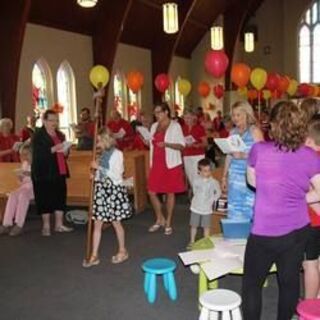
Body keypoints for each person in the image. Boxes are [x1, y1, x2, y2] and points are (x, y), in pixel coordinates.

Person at [242, 101, 320, 320]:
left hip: (264, 231)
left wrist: (275, 189)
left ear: (273, 125)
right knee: (289, 284)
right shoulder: (310, 156)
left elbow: (253, 182)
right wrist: (299, 197)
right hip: (296, 231)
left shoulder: (259, 150)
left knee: (252, 285)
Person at [83, 130, 132, 267]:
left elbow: (117, 175)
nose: (97, 144)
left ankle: (123, 250)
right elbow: (101, 174)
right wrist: (95, 176)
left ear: (106, 140)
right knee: (97, 224)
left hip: (114, 192)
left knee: (116, 223)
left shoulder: (118, 154)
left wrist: (99, 168)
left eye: (99, 141)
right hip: (102, 192)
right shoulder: (102, 154)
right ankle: (94, 254)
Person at [31, 110, 73, 236]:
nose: (54, 123)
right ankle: (46, 226)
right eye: (51, 120)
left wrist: (65, 151)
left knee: (60, 196)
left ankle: (59, 224)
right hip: (43, 171)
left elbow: (64, 153)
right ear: (44, 121)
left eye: (56, 120)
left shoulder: (60, 134)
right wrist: (54, 149)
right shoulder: (38, 135)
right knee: (45, 197)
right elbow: (38, 155)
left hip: (59, 169)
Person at [147, 102, 186, 235]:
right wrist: (147, 141)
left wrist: (167, 144)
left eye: (159, 112)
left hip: (171, 163)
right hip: (157, 162)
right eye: (155, 113)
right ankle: (160, 218)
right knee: (151, 192)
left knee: (170, 192)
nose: (156, 115)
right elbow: (152, 143)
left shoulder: (175, 126)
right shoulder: (153, 126)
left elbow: (182, 145)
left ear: (166, 112)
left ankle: (168, 221)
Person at [222, 101, 263, 221]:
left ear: (246, 114)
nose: (235, 118)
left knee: (251, 210)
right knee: (234, 210)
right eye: (233, 115)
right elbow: (229, 156)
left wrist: (244, 155)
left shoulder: (255, 131)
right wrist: (224, 177)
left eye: (238, 115)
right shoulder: (232, 132)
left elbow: (262, 156)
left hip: (250, 178)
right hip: (234, 178)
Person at [303, 116, 320, 299]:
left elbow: (313, 193)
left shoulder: (310, 160)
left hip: (313, 221)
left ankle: (309, 306)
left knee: (310, 264)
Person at [0, 143, 33, 236]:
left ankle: (19, 224)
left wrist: (28, 174)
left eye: (27, 154)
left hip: (35, 188)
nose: (24, 157)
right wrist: (20, 177)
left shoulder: (38, 164)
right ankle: (6, 223)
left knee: (23, 196)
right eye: (22, 155)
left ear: (32, 154)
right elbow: (23, 182)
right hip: (25, 187)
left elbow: (40, 177)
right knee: (12, 195)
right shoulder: (25, 164)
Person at [188, 158, 221, 247]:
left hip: (207, 208)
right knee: (193, 225)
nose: (208, 173)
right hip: (196, 207)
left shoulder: (214, 182)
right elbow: (195, 191)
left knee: (206, 226)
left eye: (209, 170)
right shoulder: (196, 181)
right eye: (205, 171)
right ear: (199, 171)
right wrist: (197, 199)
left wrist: (213, 199)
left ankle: (206, 240)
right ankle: (192, 241)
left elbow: (218, 192)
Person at [182, 109, 207, 187]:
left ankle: (201, 196)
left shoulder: (199, 128)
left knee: (199, 177)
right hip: (187, 155)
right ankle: (196, 195)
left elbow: (205, 143)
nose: (187, 120)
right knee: (191, 178)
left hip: (198, 155)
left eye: (189, 118)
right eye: (185, 118)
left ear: (193, 117)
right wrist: (184, 145)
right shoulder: (182, 128)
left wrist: (197, 145)